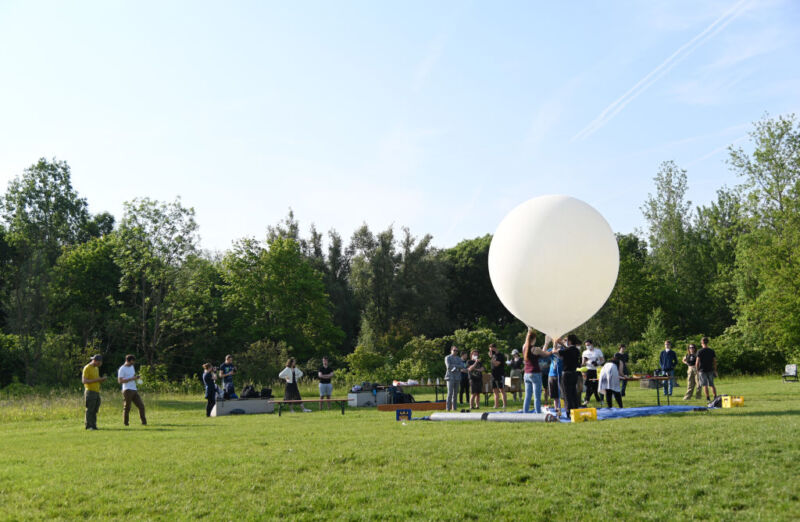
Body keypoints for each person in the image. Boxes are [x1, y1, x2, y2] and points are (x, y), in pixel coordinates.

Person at [521, 328, 552, 414]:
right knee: (537, 396)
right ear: (534, 339)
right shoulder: (535, 349)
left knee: (527, 396)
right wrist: (549, 346)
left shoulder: (524, 347)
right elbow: (545, 354)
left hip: (526, 374)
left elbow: (541, 353)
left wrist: (529, 330)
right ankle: (538, 414)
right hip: (535, 373)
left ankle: (525, 413)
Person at [555, 335, 582, 418]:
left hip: (566, 374)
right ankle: (575, 410)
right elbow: (568, 349)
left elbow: (557, 352)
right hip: (574, 373)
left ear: (569, 341)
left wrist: (555, 344)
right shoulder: (576, 350)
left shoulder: (567, 350)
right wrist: (562, 344)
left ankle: (569, 412)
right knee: (573, 393)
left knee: (567, 394)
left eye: (566, 340)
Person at [117, 354, 147, 426]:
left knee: (141, 406)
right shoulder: (122, 369)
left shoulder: (132, 367)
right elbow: (120, 381)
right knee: (127, 407)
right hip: (127, 390)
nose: (133, 363)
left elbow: (132, 376)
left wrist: (137, 377)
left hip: (134, 389)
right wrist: (131, 379)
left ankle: (144, 423)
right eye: (132, 362)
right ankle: (126, 423)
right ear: (128, 361)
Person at [82, 354, 107, 430]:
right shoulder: (87, 368)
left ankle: (93, 425)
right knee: (90, 409)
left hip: (96, 391)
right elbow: (84, 381)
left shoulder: (96, 368)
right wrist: (98, 380)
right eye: (99, 362)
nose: (100, 364)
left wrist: (101, 379)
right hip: (90, 391)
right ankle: (88, 426)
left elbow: (96, 378)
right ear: (95, 361)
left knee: (95, 409)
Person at [582, 339, 604, 406]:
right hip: (588, 370)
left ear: (592, 344)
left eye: (588, 345)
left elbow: (602, 360)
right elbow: (582, 363)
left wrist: (597, 363)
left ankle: (597, 399)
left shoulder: (598, 351)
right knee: (588, 386)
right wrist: (585, 361)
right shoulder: (584, 352)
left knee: (595, 386)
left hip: (596, 370)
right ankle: (587, 400)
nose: (587, 346)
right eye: (586, 345)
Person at [444, 345, 466, 411]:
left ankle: (454, 408)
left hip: (457, 378)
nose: (456, 352)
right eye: (454, 350)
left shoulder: (459, 358)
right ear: (451, 350)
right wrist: (457, 367)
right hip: (450, 377)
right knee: (450, 393)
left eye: (457, 350)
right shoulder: (447, 357)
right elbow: (448, 366)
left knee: (455, 394)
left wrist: (455, 367)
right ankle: (448, 408)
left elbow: (462, 366)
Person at [696, 337, 718, 401]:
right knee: (712, 384)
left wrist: (697, 370)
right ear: (707, 342)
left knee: (704, 385)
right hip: (710, 369)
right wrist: (715, 370)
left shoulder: (699, 351)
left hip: (702, 370)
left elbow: (697, 362)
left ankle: (708, 398)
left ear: (701, 343)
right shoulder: (711, 351)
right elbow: (714, 361)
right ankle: (715, 397)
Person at [489, 343, 507, 409]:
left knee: (502, 390)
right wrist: (492, 357)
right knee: (495, 391)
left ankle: (504, 405)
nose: (490, 352)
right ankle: (496, 405)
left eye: (491, 350)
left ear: (495, 348)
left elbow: (496, 364)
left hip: (500, 374)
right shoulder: (493, 355)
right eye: (490, 350)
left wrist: (491, 358)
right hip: (493, 375)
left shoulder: (500, 355)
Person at [547, 339, 564, 412]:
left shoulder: (563, 350)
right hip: (552, 374)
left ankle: (564, 409)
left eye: (558, 342)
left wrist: (560, 346)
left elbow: (563, 357)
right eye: (555, 342)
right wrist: (546, 343)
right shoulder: (551, 350)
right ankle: (556, 409)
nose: (557, 343)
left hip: (561, 374)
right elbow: (543, 352)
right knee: (554, 395)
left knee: (563, 393)